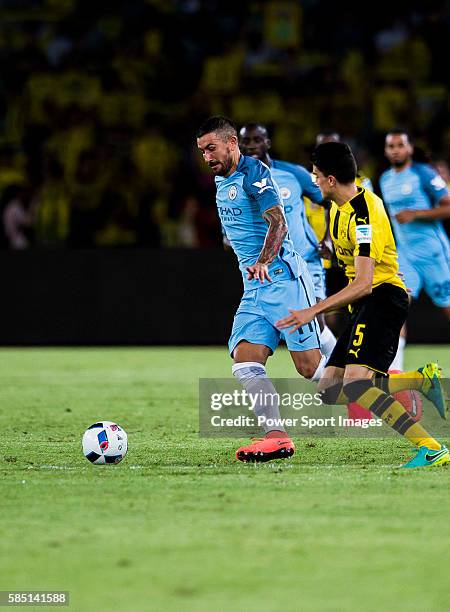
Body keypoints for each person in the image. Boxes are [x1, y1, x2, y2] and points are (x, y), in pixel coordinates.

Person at [277, 141, 449, 469]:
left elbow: (364, 283)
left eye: (315, 175)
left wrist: (313, 310)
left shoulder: (364, 212)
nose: (312, 182)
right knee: (329, 391)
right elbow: (354, 262)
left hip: (383, 298)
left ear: (330, 179)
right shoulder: (338, 208)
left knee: (357, 384)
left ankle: (431, 447)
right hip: (367, 302)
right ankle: (420, 380)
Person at [196, 116, 326, 463]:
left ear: (231, 143)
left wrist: (265, 260)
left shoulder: (254, 172)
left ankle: (403, 396)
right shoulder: (222, 181)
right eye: (202, 151)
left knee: (313, 372)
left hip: (283, 280)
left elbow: (278, 222)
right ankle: (276, 437)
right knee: (244, 360)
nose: (207, 157)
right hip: (255, 288)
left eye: (212, 148)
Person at [238, 122, 336, 361]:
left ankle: (347, 377)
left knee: (317, 321)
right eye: (246, 141)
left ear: (267, 143)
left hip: (306, 261)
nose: (251, 146)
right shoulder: (236, 182)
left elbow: (331, 201)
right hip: (271, 270)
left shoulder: (293, 174)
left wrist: (329, 239)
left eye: (256, 140)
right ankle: (342, 377)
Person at [379, 130, 450, 367]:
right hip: (405, 255)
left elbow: (448, 207)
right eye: (391, 146)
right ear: (386, 150)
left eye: (400, 145)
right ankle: (395, 370)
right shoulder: (385, 179)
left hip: (434, 254)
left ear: (409, 148)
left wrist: (416, 214)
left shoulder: (424, 174)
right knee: (396, 305)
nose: (396, 150)